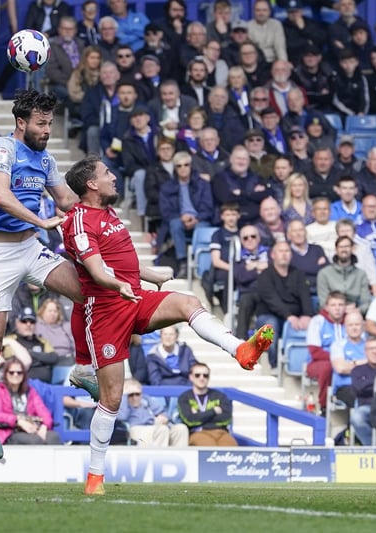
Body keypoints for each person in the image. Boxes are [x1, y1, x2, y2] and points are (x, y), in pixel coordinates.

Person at [62, 155, 272, 495]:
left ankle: (241, 350)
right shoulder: (80, 221)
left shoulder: (108, 213)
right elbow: (97, 270)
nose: (114, 177)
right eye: (107, 173)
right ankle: (95, 477)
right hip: (105, 313)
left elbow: (122, 262)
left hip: (134, 296)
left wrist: (151, 274)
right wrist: (118, 285)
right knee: (113, 397)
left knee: (188, 301)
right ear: (91, 184)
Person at [0, 90, 89, 460]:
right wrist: (42, 221)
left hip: (30, 248)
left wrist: (100, 211)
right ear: (21, 123)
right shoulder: (1, 149)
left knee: (87, 293)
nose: (47, 130)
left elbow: (67, 201)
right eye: (41, 124)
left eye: (50, 123)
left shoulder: (46, 159)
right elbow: (2, 195)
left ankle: (84, 367)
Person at [254, 240, 313, 369]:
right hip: (268, 315)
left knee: (312, 324)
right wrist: (289, 316)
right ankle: (274, 365)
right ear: (273, 255)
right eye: (280, 251)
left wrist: (307, 315)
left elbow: (305, 296)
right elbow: (272, 300)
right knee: (271, 326)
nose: (284, 254)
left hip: (293, 317)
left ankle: (302, 366)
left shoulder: (298, 274)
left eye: (287, 251)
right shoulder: (265, 275)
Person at [0, 357, 60, 446]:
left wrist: (44, 427)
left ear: (24, 374)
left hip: (32, 427)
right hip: (10, 430)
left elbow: (44, 413)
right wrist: (18, 421)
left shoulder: (30, 391)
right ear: (6, 374)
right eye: (11, 372)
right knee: (35, 440)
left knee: (53, 437)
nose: (15, 375)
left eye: (19, 372)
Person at [177, 362, 238, 447]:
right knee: (209, 449)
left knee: (231, 449)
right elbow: (190, 420)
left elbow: (226, 418)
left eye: (205, 375)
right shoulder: (184, 397)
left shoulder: (220, 396)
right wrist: (214, 411)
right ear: (191, 377)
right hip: (198, 432)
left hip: (222, 432)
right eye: (197, 375)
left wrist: (199, 415)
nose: (202, 378)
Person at [118, 378, 188, 447]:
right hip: (136, 428)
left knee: (181, 429)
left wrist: (163, 418)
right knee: (162, 430)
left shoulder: (146, 400)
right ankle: (160, 458)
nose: (134, 397)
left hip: (155, 426)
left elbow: (164, 412)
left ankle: (180, 457)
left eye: (137, 394)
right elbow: (122, 417)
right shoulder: (122, 403)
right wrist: (124, 396)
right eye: (130, 395)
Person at [348, 336, 376, 446]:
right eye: (371, 349)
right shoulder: (357, 370)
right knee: (356, 417)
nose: (374, 352)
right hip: (368, 408)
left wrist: (368, 385)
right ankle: (373, 447)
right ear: (365, 352)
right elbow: (359, 389)